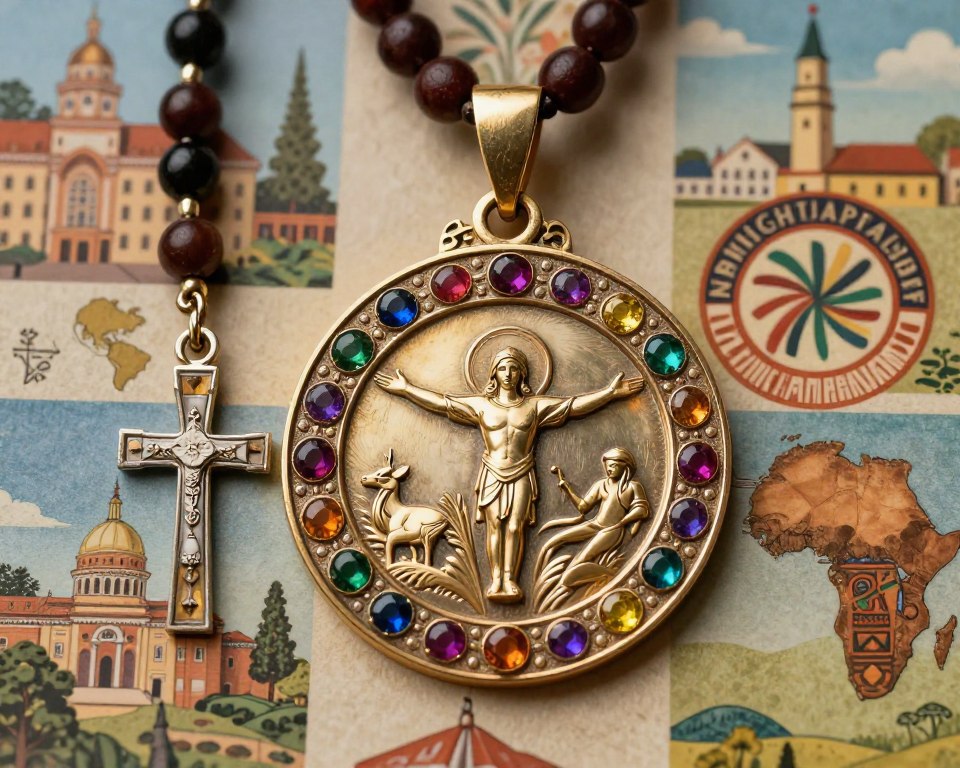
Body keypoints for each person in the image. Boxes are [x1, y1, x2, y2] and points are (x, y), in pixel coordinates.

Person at [373, 347, 643, 603]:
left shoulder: (534, 407)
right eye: (502, 368)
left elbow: (573, 406)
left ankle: (510, 580)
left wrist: (608, 393)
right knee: (494, 527)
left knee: (515, 526)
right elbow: (443, 404)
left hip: (522, 472)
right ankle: (496, 580)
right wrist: (407, 389)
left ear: (522, 374)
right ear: (494, 373)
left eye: (514, 368)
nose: (508, 373)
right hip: (491, 472)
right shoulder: (481, 406)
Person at [534, 448, 649, 588]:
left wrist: (623, 522)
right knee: (550, 544)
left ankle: (611, 573)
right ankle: (536, 582)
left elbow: (642, 510)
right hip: (595, 524)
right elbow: (583, 507)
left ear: (625, 466)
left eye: (613, 466)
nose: (609, 469)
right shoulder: (601, 484)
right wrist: (567, 488)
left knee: (570, 574)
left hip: (612, 529)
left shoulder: (632, 486)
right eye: (607, 466)